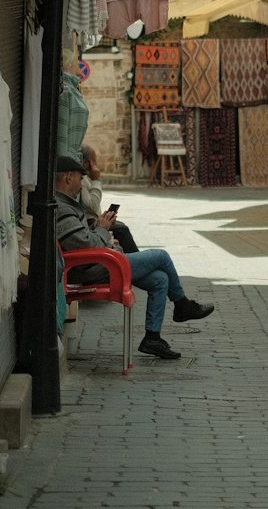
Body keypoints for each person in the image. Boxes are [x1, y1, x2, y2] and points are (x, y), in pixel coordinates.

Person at [54, 154, 214, 360]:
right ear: (68, 178)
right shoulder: (63, 208)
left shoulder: (67, 205)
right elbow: (87, 244)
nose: (80, 183)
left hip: (99, 262)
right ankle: (182, 305)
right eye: (79, 178)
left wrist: (100, 228)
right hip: (95, 268)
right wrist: (103, 230)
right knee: (161, 257)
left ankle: (152, 338)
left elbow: (83, 238)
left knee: (160, 279)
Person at [79, 144, 140, 253]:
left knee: (121, 226)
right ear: (86, 163)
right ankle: (137, 261)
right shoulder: (81, 180)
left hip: (93, 220)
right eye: (94, 161)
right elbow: (92, 205)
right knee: (121, 230)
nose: (96, 165)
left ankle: (135, 259)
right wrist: (96, 180)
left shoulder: (86, 178)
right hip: (88, 223)